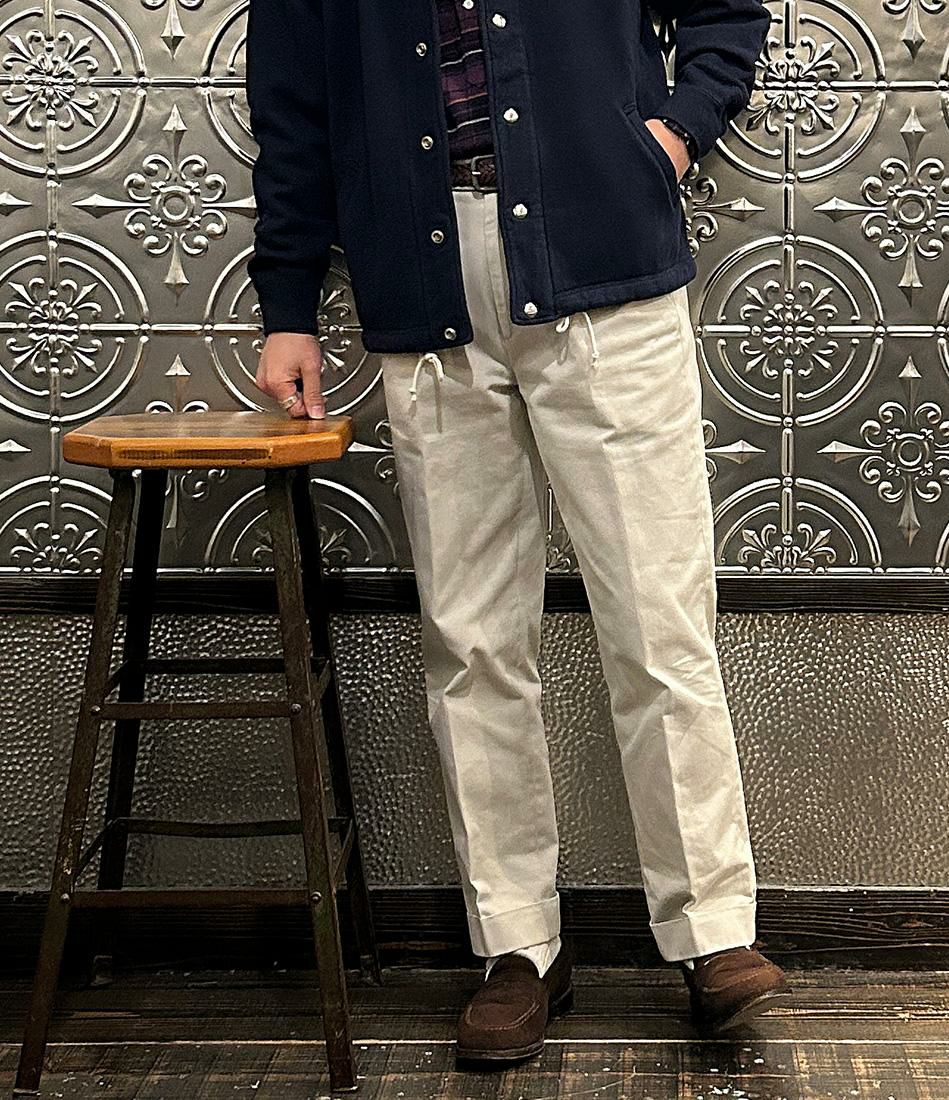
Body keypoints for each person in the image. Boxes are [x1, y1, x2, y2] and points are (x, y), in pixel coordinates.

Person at [245, 0, 788, 1068]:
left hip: (603, 257)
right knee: (473, 639)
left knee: (659, 620)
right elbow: (293, 109)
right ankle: (516, 943)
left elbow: (725, 12)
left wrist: (673, 134)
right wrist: (289, 305)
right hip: (423, 278)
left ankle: (712, 930)